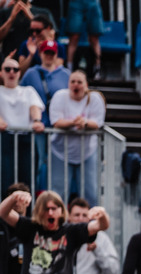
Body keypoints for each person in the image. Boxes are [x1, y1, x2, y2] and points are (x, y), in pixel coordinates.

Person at [0, 188, 110, 274]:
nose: (50, 213)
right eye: (46, 209)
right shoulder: (30, 228)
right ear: (39, 211)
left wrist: (102, 214)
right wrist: (13, 197)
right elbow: (2, 212)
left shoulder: (71, 232)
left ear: (61, 211)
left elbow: (102, 226)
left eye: (54, 208)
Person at [48, 70, 105, 207]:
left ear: (86, 85)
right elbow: (56, 121)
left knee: (91, 193)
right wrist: (75, 122)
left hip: (87, 152)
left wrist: (84, 123)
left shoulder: (95, 98)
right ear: (68, 84)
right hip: (60, 152)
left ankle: (91, 225)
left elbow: (97, 123)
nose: (76, 85)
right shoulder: (60, 96)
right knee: (58, 193)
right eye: (72, 81)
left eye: (79, 82)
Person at [0, 57, 44, 188]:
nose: (12, 72)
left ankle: (28, 208)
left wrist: (37, 121)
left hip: (26, 139)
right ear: (1, 72)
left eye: (15, 69)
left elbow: (35, 107)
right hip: (4, 139)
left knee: (28, 179)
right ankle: (4, 207)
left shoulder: (28, 91)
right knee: (4, 179)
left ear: (19, 73)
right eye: (7, 69)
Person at [64, 0, 104, 78]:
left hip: (92, 3)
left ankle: (97, 71)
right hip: (76, 3)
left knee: (94, 38)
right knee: (74, 37)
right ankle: (69, 70)